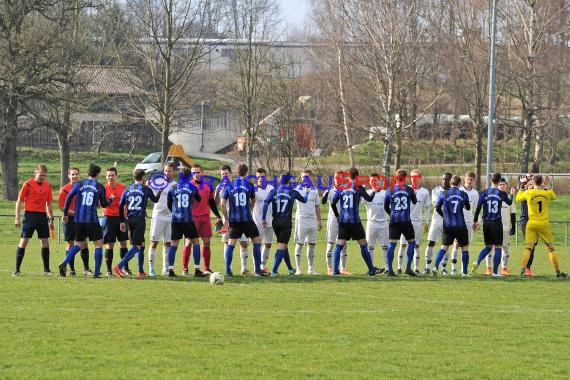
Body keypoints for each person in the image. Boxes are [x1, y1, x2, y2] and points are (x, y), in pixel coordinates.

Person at [59, 164, 114, 278]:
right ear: (98, 174)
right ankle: (97, 272)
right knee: (98, 244)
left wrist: (65, 214)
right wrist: (111, 199)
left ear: (88, 173)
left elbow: (69, 197)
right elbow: (104, 204)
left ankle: (64, 263)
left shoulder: (79, 184)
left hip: (78, 220)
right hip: (92, 220)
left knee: (80, 244)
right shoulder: (99, 186)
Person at [330, 167, 382, 276]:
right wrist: (374, 191)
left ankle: (335, 270)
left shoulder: (341, 187)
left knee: (339, 244)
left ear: (348, 176)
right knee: (363, 244)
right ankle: (371, 269)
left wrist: (337, 216)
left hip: (343, 221)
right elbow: (369, 199)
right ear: (357, 176)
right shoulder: (358, 187)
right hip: (355, 222)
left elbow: (333, 203)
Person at [220, 163, 270, 277]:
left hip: (234, 220)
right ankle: (258, 270)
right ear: (246, 172)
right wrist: (249, 208)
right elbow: (253, 200)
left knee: (231, 243)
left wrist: (226, 218)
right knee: (257, 241)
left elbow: (222, 204)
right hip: (247, 219)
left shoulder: (229, 185)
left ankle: (228, 270)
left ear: (236, 172)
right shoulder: (250, 185)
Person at [515, 175, 567, 278]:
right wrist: (546, 185)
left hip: (531, 223)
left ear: (533, 182)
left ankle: (522, 270)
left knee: (528, 248)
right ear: (541, 182)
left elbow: (518, 198)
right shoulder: (546, 193)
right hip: (543, 223)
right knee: (550, 248)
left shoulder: (529, 193)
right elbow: (553, 196)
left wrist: (522, 186)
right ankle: (557, 271)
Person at [113, 169, 161, 278]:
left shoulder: (128, 188)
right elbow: (156, 199)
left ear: (134, 177)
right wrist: (159, 191)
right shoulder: (145, 189)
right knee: (137, 246)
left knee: (142, 244)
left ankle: (140, 271)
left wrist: (121, 220)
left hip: (129, 219)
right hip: (139, 220)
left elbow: (120, 206)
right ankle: (119, 266)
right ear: (143, 177)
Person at [262, 173, 309, 275]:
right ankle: (274, 271)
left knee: (283, 245)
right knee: (282, 246)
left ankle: (290, 269)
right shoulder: (293, 192)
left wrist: (263, 218)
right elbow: (304, 200)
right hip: (285, 222)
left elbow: (265, 203)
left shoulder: (274, 191)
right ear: (289, 181)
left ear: (280, 180)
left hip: (275, 222)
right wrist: (307, 192)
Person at [13, 164, 55, 276]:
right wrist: (17, 218)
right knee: (24, 241)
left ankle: (47, 270)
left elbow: (49, 204)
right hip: (29, 216)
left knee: (45, 242)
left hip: (42, 216)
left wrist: (51, 219)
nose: (43, 177)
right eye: (41, 175)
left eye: (44, 175)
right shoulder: (27, 184)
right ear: (35, 173)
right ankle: (17, 270)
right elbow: (19, 201)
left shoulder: (47, 185)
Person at [180, 163, 221, 277]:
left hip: (205, 218)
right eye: (193, 173)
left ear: (202, 172)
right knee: (189, 243)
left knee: (206, 242)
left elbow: (211, 202)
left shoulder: (208, 185)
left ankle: (206, 268)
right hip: (192, 218)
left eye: (198, 172)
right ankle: (185, 268)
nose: (196, 174)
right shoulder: (188, 186)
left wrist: (218, 215)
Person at [471, 172, 514, 277]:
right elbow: (509, 202)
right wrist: (512, 194)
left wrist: (475, 220)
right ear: (499, 181)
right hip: (496, 222)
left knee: (488, 246)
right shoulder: (501, 193)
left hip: (486, 223)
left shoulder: (484, 192)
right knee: (498, 247)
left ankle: (477, 262)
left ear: (491, 180)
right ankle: (495, 272)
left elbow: (478, 208)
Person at [431, 175, 471, 276]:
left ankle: (435, 266)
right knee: (465, 248)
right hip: (460, 225)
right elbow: (468, 207)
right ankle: (464, 272)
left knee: (444, 247)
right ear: (460, 184)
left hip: (448, 225)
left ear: (450, 183)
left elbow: (437, 207)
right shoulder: (463, 194)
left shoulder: (444, 194)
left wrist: (444, 216)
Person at [214, 164, 251, 274]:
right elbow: (217, 203)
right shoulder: (219, 187)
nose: (224, 176)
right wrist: (217, 191)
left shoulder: (237, 185)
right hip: (227, 219)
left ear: (231, 174)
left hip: (241, 218)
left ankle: (244, 268)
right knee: (227, 243)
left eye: (226, 173)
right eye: (222, 174)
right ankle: (228, 268)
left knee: (244, 242)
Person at [384, 168, 418, 276]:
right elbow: (414, 201)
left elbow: (385, 207)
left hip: (394, 221)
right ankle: (408, 267)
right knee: (411, 242)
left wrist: (392, 214)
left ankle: (390, 269)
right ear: (405, 178)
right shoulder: (409, 189)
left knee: (392, 244)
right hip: (405, 220)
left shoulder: (390, 190)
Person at [397, 169, 430, 274]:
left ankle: (415, 268)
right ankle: (399, 267)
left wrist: (427, 222)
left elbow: (427, 208)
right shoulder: (405, 189)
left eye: (416, 177)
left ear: (420, 178)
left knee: (416, 245)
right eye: (412, 177)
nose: (414, 179)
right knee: (403, 244)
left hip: (417, 223)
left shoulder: (425, 192)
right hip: (405, 221)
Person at [148, 162, 177, 277]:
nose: (167, 173)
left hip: (170, 217)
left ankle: (165, 269)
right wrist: (149, 183)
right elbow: (146, 185)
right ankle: (151, 269)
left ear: (173, 172)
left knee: (168, 243)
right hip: (158, 216)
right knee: (154, 242)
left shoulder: (175, 185)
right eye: (165, 171)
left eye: (169, 171)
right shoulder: (158, 182)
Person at [447, 171, 479, 276]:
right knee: (456, 244)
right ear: (464, 179)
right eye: (468, 179)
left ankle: (463, 270)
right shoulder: (459, 191)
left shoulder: (475, 193)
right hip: (459, 221)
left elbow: (476, 209)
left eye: (471, 180)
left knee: (465, 246)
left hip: (469, 222)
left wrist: (476, 221)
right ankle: (453, 268)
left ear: (474, 181)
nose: (469, 181)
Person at [293, 170, 322, 275]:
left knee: (312, 244)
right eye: (303, 177)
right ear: (301, 178)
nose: (305, 178)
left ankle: (310, 268)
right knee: (299, 244)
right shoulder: (296, 190)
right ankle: (298, 269)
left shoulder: (315, 191)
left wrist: (319, 221)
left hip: (312, 221)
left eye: (307, 177)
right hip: (301, 220)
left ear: (310, 177)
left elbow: (317, 206)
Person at [102, 167, 129, 277]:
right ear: (106, 176)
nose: (111, 177)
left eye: (112, 175)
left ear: (116, 176)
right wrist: (110, 200)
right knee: (110, 244)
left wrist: (125, 218)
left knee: (123, 243)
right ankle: (109, 270)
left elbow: (126, 204)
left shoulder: (122, 187)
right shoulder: (103, 188)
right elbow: (102, 204)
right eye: (108, 175)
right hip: (108, 218)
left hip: (121, 218)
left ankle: (125, 268)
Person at [424, 172, 452, 274]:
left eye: (447, 179)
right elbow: (436, 205)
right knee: (431, 242)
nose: (445, 181)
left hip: (449, 222)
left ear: (451, 180)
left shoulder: (454, 191)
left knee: (446, 244)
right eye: (443, 179)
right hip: (437, 220)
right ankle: (427, 267)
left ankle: (444, 268)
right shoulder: (436, 190)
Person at [322, 172, 349, 275]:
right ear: (334, 179)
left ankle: (343, 268)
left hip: (344, 220)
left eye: (340, 178)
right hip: (333, 220)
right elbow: (323, 202)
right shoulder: (331, 190)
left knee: (344, 244)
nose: (337, 179)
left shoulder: (346, 190)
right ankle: (330, 268)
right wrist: (327, 192)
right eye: (336, 178)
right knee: (330, 244)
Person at [58, 167, 83, 276]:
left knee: (82, 243)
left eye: (76, 174)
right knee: (70, 243)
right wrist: (73, 213)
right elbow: (62, 207)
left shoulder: (83, 188)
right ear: (68, 176)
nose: (75, 176)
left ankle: (85, 268)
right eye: (72, 174)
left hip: (81, 219)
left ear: (79, 175)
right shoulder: (64, 189)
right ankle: (71, 269)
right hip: (69, 219)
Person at [364, 173, 388, 272]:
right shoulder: (366, 193)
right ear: (370, 182)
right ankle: (371, 267)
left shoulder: (385, 193)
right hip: (371, 223)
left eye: (376, 180)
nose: (374, 182)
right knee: (370, 246)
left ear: (380, 181)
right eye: (372, 181)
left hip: (383, 223)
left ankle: (387, 267)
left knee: (385, 246)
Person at [252, 168, 274, 274]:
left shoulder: (271, 188)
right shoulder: (253, 189)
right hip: (258, 222)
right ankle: (256, 267)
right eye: (258, 176)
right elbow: (250, 204)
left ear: (266, 177)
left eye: (262, 176)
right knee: (257, 244)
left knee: (268, 244)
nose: (261, 178)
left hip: (270, 221)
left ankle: (262, 266)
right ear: (256, 178)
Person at [518, 175, 536, 276]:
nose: (531, 186)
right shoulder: (525, 194)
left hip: (534, 221)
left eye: (532, 184)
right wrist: (523, 184)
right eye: (529, 184)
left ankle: (527, 268)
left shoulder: (535, 194)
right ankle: (525, 268)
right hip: (525, 221)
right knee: (529, 246)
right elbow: (519, 195)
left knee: (532, 247)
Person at [498, 177, 516, 276]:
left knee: (505, 248)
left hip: (505, 228)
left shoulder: (510, 198)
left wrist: (513, 226)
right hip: (495, 227)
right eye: (500, 184)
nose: (502, 186)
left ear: (506, 186)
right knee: (491, 248)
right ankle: (489, 268)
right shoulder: (494, 196)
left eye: (503, 184)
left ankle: (504, 268)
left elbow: (513, 213)